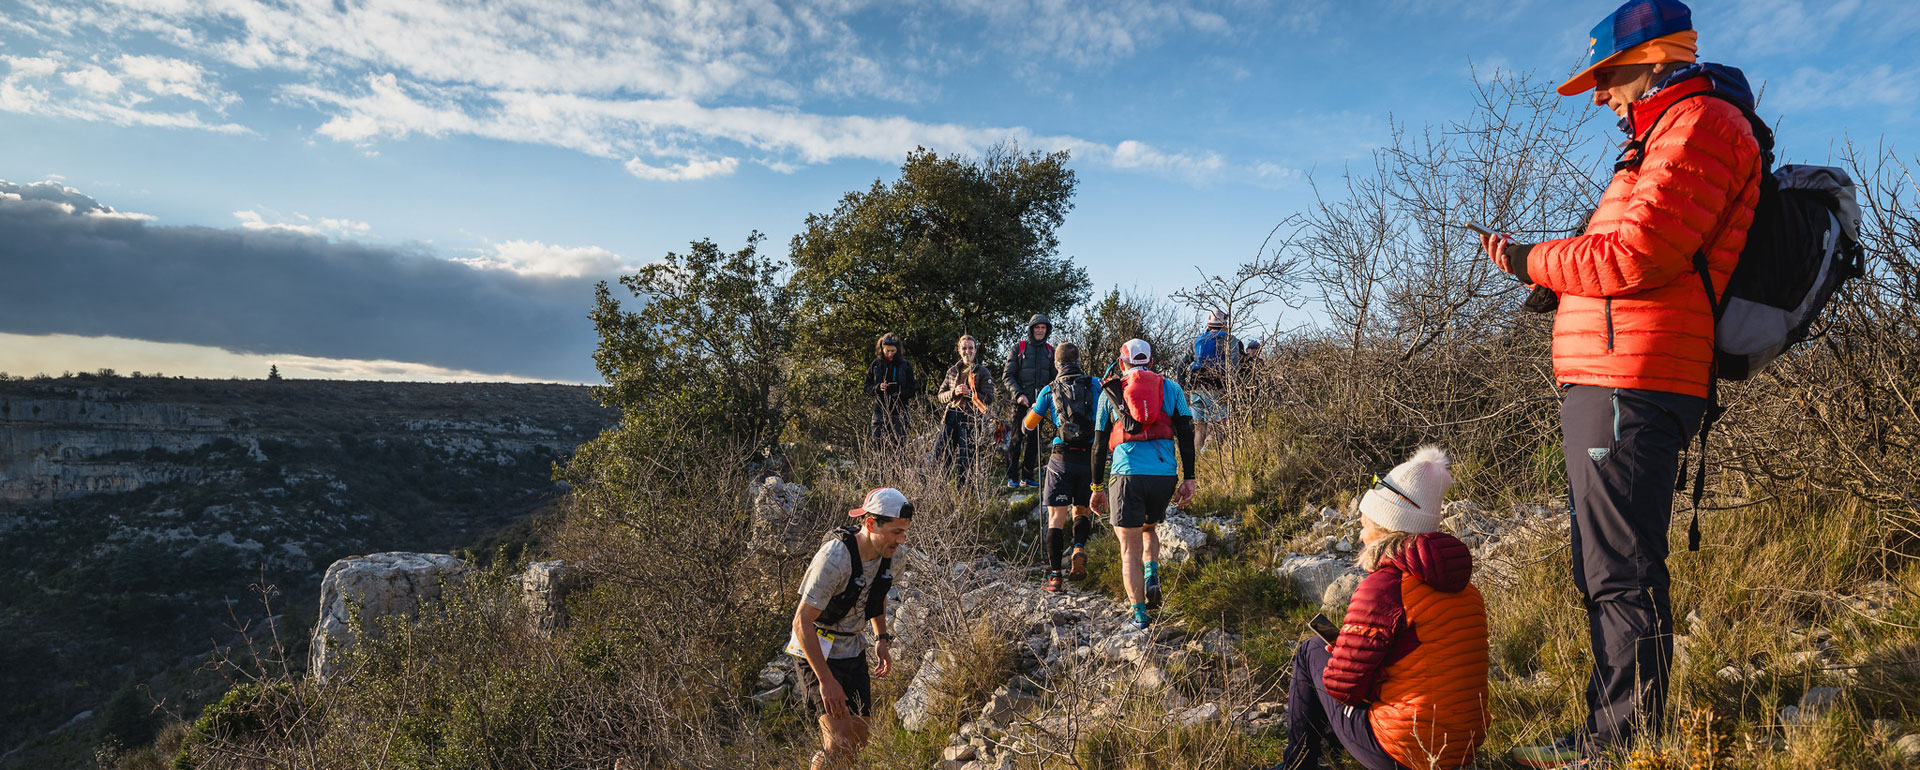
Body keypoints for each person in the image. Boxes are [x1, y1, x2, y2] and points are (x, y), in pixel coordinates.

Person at [1481, 1, 1762, 764]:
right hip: (1612, 375)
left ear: (1652, 57)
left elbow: (1635, 256)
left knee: (1620, 568)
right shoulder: (1663, 131)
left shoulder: (1701, 124)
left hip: (1632, 377)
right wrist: (1563, 282)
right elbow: (1622, 254)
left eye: (1607, 77)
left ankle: (1626, 740)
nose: (1602, 95)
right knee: (1604, 563)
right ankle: (1612, 726)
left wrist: (1528, 260)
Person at [1279, 447, 1489, 770]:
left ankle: (1297, 764)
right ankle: (1333, 752)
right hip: (1461, 752)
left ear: (1388, 525)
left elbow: (1342, 688)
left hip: (1406, 753)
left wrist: (1345, 657)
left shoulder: (1386, 587)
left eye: (1366, 522)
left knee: (1310, 653)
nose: (1360, 531)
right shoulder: (1468, 591)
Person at [788, 488, 913, 770]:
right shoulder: (835, 558)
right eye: (895, 532)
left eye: (904, 531)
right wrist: (826, 680)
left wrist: (881, 637)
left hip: (852, 647)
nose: (901, 540)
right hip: (815, 646)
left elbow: (877, 591)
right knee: (839, 740)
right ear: (870, 524)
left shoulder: (894, 555)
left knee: (857, 740)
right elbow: (801, 621)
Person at [1089, 339, 1197, 630]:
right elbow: (1186, 434)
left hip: (1127, 477)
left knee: (1129, 550)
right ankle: (1152, 575)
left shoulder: (1109, 392)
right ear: (1149, 362)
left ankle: (1140, 618)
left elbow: (1099, 445)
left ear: (1122, 362)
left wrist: (1096, 488)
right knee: (1149, 527)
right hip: (1164, 476)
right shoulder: (1172, 388)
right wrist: (1190, 477)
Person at [1021, 342, 1100, 591]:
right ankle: (1078, 547)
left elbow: (1029, 426)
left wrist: (1031, 416)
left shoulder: (1049, 389)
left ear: (1057, 365)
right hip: (1088, 458)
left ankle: (1055, 577)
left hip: (1060, 459)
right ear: (1079, 361)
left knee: (1056, 518)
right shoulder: (1095, 384)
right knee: (1082, 511)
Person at [1002, 314, 1056, 488]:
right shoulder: (1019, 348)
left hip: (1039, 405)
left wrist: (1047, 398)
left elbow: (1055, 378)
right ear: (1031, 329)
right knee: (1016, 439)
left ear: (1047, 330)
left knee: (1035, 441)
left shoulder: (1050, 351)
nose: (1040, 331)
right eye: (1037, 327)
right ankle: (1012, 477)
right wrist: (1018, 395)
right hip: (1019, 403)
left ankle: (1028, 476)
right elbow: (1007, 375)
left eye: (1043, 328)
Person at [937, 335, 997, 475]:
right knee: (941, 456)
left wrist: (971, 394)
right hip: (951, 416)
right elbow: (940, 395)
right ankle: (941, 491)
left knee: (967, 461)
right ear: (959, 350)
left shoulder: (983, 372)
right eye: (964, 348)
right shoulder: (952, 371)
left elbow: (989, 398)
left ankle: (965, 493)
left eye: (970, 348)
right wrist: (954, 392)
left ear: (975, 350)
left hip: (971, 418)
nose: (967, 351)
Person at [1184, 310, 1242, 451]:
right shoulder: (1230, 339)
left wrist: (1183, 389)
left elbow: (1183, 364)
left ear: (1209, 326)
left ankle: (1196, 461)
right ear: (1224, 325)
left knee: (1199, 428)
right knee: (1218, 427)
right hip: (1216, 384)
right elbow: (1232, 365)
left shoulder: (1198, 340)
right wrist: (1230, 390)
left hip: (1195, 385)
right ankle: (1207, 455)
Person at [864, 333, 916, 447]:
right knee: (878, 446)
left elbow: (913, 389)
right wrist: (878, 387)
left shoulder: (905, 365)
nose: (890, 353)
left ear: (898, 349)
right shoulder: (876, 364)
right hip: (880, 410)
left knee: (898, 447)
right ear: (882, 349)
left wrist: (901, 393)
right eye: (887, 350)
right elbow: (866, 387)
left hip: (900, 411)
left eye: (893, 350)